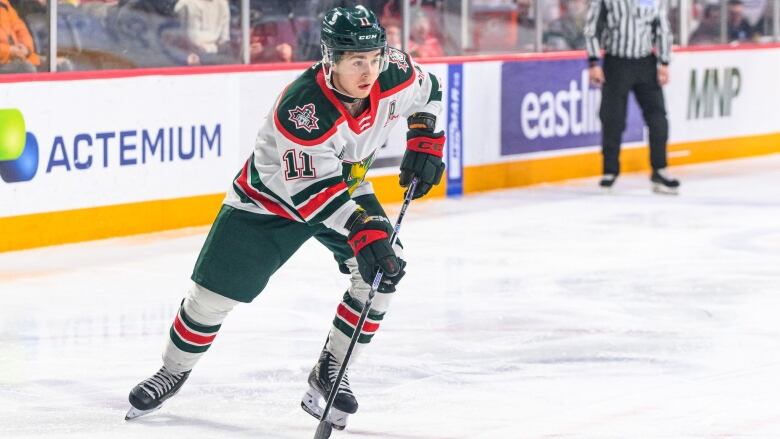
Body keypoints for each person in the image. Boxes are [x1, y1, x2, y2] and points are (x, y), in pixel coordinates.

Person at [125, 5, 446, 432]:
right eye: (355, 62)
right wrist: (361, 230)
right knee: (211, 297)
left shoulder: (393, 71)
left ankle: (331, 368)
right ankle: (172, 370)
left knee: (382, 272)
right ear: (330, 59)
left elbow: (430, 91)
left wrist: (425, 137)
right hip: (270, 201)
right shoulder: (302, 110)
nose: (368, 72)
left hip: (344, 186)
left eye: (373, 59)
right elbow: (312, 195)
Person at [584, 0, 680, 194]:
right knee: (613, 119)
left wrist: (664, 62)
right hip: (616, 63)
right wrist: (594, 62)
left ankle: (659, 169)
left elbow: (662, 28)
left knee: (658, 118)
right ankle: (610, 171)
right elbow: (592, 28)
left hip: (645, 63)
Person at [0, 0, 40, 73]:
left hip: (19, 57)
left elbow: (21, 29)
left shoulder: (4, 4)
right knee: (26, 68)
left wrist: (26, 48)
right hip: (4, 60)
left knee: (61, 66)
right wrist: (9, 51)